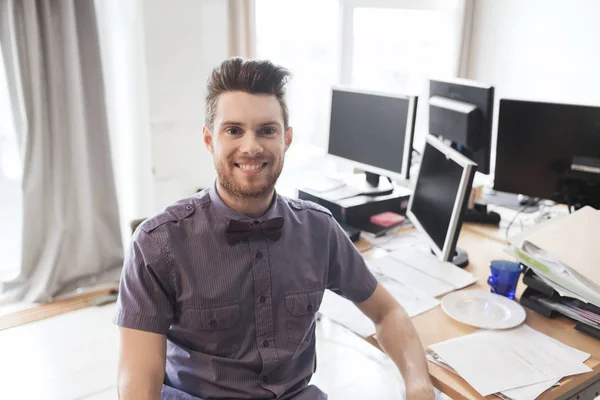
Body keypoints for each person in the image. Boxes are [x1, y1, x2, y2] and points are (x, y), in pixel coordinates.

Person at [114, 57, 435, 400]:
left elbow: (387, 312)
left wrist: (419, 384)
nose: (251, 147)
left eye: (267, 130)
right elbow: (138, 384)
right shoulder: (157, 244)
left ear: (287, 139)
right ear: (210, 140)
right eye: (234, 130)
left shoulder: (319, 230)